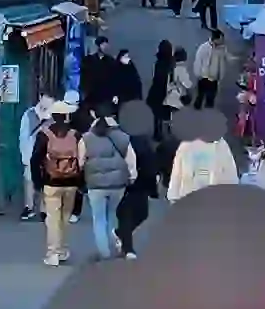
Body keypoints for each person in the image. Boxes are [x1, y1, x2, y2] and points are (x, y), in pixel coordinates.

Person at [79, 101, 138, 262]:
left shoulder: (86, 138)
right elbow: (131, 161)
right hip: (118, 185)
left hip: (95, 185)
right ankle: (114, 245)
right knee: (112, 216)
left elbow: (80, 162)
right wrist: (132, 177)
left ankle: (104, 251)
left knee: (98, 219)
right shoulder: (123, 137)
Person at [31, 106, 89, 267]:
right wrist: (81, 183)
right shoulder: (76, 135)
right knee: (65, 218)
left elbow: (35, 159)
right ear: (67, 115)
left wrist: (38, 182)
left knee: (52, 218)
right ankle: (62, 249)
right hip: (71, 182)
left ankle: (53, 253)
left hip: (51, 182)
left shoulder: (45, 134)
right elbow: (82, 160)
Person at [112, 113, 166, 258]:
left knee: (141, 213)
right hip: (130, 181)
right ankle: (128, 247)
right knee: (127, 214)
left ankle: (120, 234)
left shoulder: (140, 140)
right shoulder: (129, 141)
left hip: (139, 181)